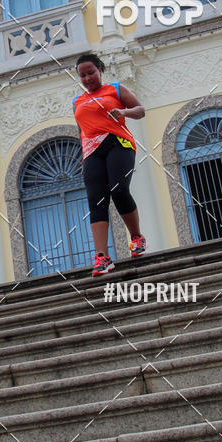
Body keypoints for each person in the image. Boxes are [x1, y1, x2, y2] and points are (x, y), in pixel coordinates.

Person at [73, 53, 147, 276]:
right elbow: (81, 131)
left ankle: (136, 237)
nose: (87, 78)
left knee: (119, 189)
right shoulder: (78, 101)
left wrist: (123, 111)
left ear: (100, 70)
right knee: (96, 200)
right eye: (83, 75)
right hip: (92, 151)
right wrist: (84, 158)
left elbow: (141, 111)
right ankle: (102, 257)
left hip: (118, 143)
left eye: (91, 72)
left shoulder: (115, 89)